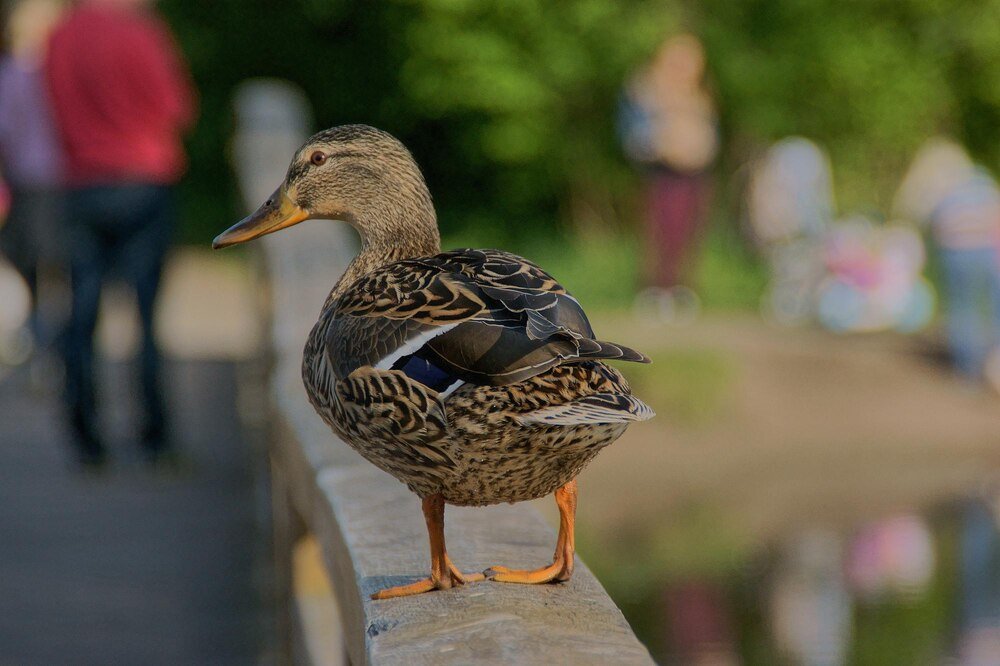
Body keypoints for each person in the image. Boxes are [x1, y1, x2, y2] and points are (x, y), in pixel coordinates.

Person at [45, 0, 196, 467]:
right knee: (146, 318)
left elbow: (52, 107)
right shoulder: (141, 32)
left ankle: (87, 439)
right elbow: (178, 108)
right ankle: (155, 437)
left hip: (84, 185)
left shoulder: (62, 36)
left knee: (83, 310)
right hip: (143, 181)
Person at [620, 33, 718, 323]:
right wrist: (664, 146)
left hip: (694, 173)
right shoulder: (644, 90)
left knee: (687, 231)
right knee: (658, 229)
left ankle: (681, 288)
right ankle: (654, 289)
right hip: (660, 172)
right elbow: (633, 136)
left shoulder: (700, 95)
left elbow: (710, 138)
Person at [894, 138, 1000, 385]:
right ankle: (988, 362)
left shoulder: (945, 188)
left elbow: (935, 225)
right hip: (985, 253)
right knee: (989, 310)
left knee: (964, 309)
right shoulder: (982, 183)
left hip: (957, 255)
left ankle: (968, 372)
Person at [0, 0, 66, 365]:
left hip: (28, 179)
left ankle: (40, 339)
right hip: (56, 178)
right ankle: (47, 341)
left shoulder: (12, 74)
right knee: (50, 264)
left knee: (31, 263)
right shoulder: (53, 72)